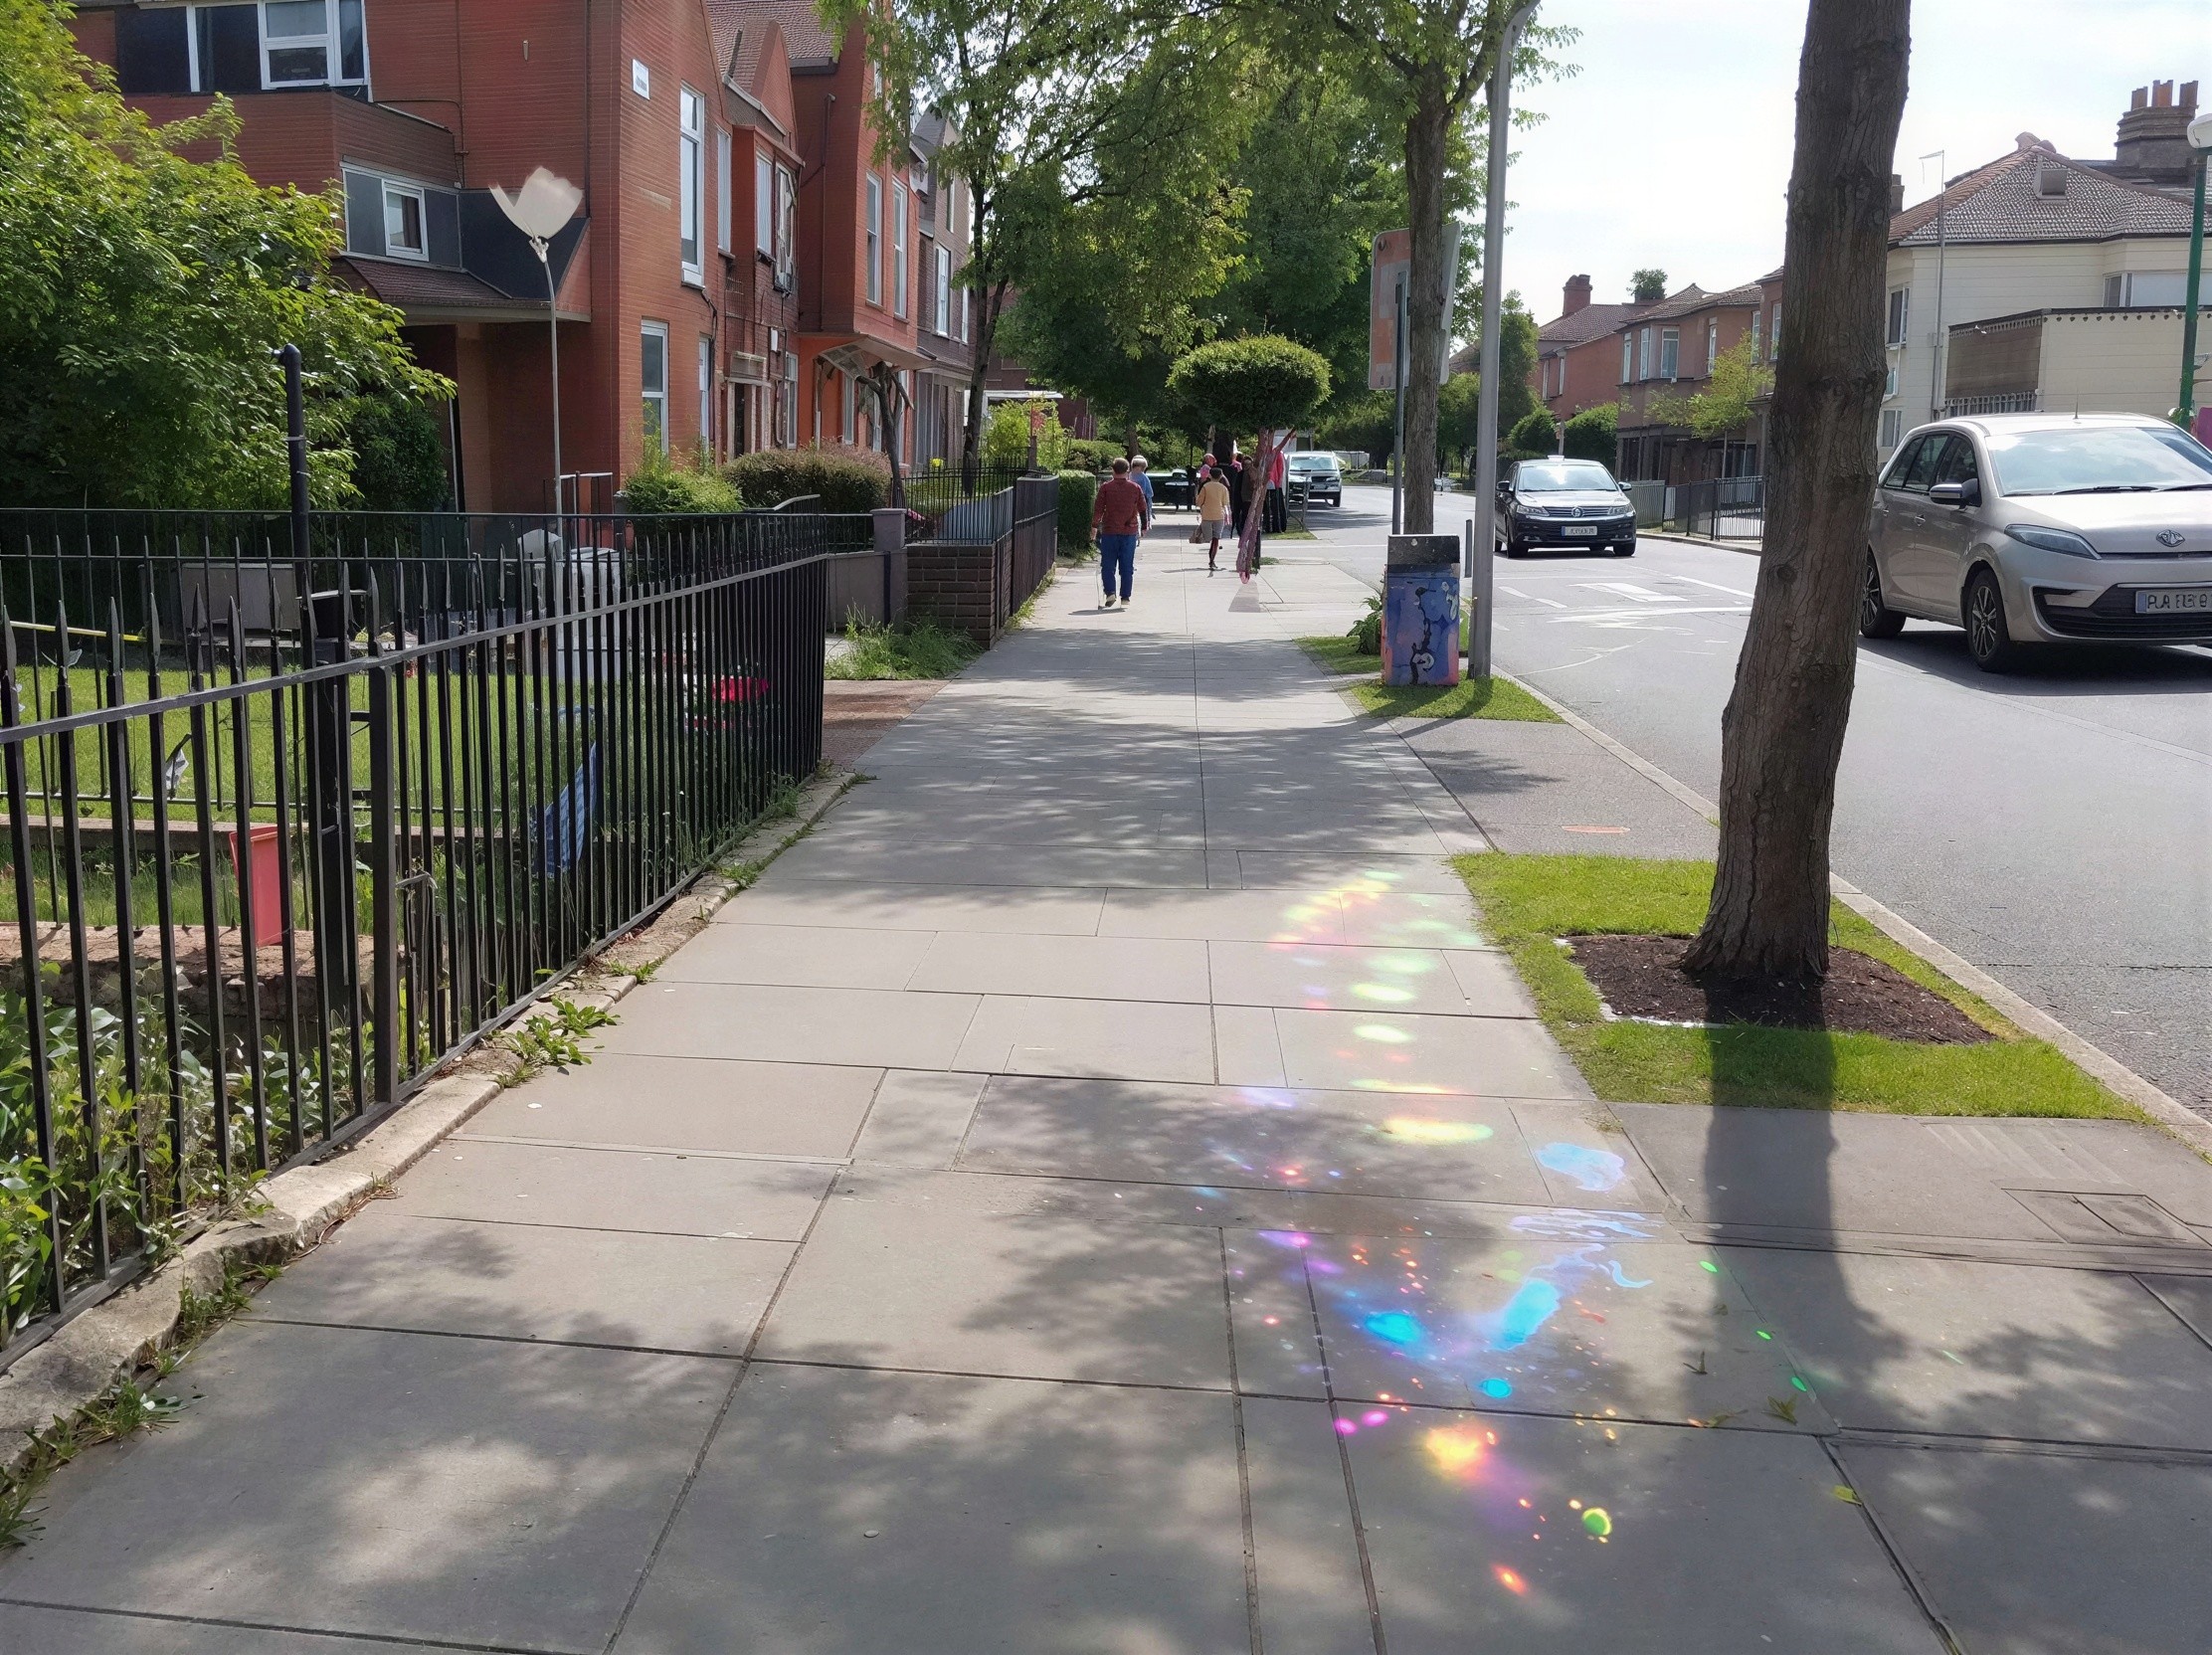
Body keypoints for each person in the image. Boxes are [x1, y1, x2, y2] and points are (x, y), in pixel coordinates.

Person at [1091, 457, 1146, 610]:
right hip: (1129, 530)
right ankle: (1125, 597)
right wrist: (1144, 526)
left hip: (1110, 530)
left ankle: (1110, 592)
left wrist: (1094, 526)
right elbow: (1142, 508)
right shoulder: (1135, 488)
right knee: (1127, 565)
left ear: (1113, 470)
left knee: (1108, 564)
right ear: (1127, 471)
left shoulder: (1106, 488)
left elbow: (1099, 509)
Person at [1196, 464, 1231, 573]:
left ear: (1210, 475)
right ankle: (1212, 560)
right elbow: (1225, 503)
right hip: (1219, 515)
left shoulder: (1206, 487)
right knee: (1216, 539)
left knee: (1208, 538)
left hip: (1206, 515)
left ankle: (1211, 559)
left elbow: (1198, 501)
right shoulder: (1224, 488)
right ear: (1221, 476)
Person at [1129, 455, 1154, 532]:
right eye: (1135, 468)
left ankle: (1145, 524)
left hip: (1142, 497)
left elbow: (1147, 489)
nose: (1136, 470)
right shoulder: (1130, 475)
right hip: (1131, 497)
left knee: (1143, 512)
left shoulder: (1143, 477)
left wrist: (1147, 496)